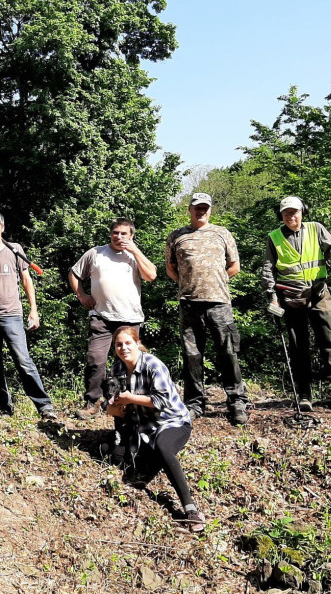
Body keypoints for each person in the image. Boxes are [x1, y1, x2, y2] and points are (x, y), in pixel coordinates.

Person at [262, 196, 331, 413]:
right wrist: (272, 296)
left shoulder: (316, 229)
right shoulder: (274, 237)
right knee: (299, 347)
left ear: (303, 212)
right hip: (291, 298)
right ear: (281, 215)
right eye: (286, 213)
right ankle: (304, 393)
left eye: (295, 212)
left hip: (318, 293)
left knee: (330, 341)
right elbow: (268, 269)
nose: (291, 216)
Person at [106, 326, 205, 533]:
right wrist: (115, 407)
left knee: (163, 446)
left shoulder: (153, 364)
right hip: (143, 428)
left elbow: (162, 401)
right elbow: (112, 406)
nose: (123, 348)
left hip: (172, 422)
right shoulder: (117, 369)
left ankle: (190, 508)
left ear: (137, 343)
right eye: (119, 344)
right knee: (119, 459)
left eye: (127, 343)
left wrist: (129, 398)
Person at [165, 192, 247, 425]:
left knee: (228, 353)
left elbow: (234, 266)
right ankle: (194, 404)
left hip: (220, 303)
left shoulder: (222, 233)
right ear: (189, 209)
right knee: (192, 356)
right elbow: (171, 267)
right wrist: (186, 285)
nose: (201, 211)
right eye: (197, 207)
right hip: (189, 303)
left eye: (205, 208)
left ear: (210, 210)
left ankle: (237, 402)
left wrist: (215, 283)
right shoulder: (177, 236)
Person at [0, 211, 59, 421]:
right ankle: (5, 410)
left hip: (12, 316)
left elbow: (27, 280)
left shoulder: (15, 250)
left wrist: (34, 310)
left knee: (23, 361)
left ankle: (45, 407)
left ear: (2, 228)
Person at [69, 218, 157, 419]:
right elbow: (74, 274)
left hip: (130, 318)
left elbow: (151, 275)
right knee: (95, 359)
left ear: (131, 235)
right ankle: (93, 403)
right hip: (101, 316)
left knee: (130, 362)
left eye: (124, 233)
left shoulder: (134, 255)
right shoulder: (95, 253)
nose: (119, 237)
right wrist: (82, 295)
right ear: (110, 234)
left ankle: (130, 401)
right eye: (115, 233)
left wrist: (135, 250)